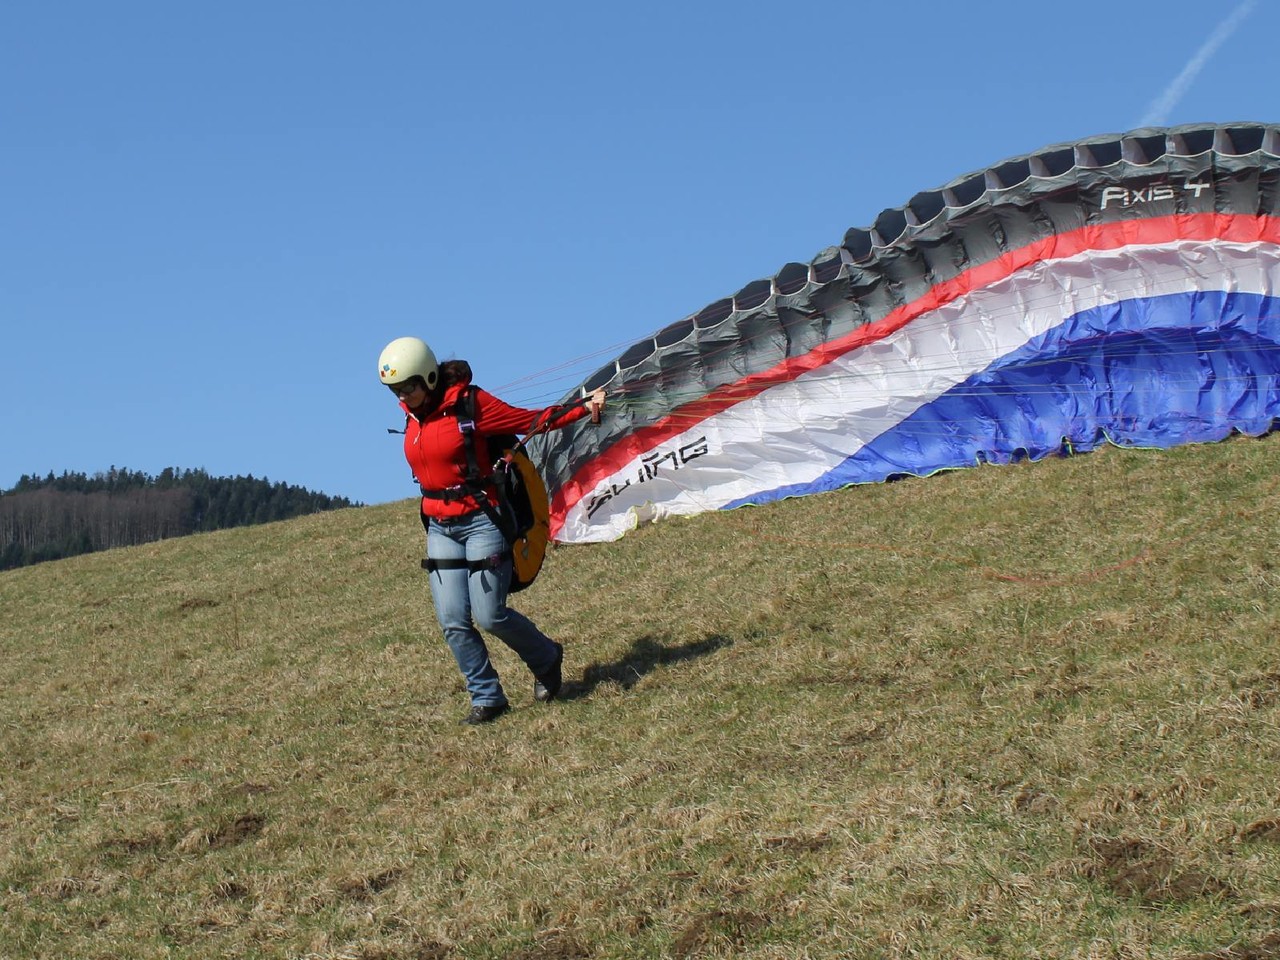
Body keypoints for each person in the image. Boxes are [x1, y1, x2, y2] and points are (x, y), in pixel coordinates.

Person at [378, 336, 605, 725]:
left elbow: (529, 421)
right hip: (439, 526)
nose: (404, 396)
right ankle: (487, 697)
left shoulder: (470, 405)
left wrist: (582, 409)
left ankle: (546, 657)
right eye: (396, 390)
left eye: (409, 387)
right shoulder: (411, 414)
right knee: (452, 619)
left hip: (482, 521)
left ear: (429, 377)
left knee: (490, 615)